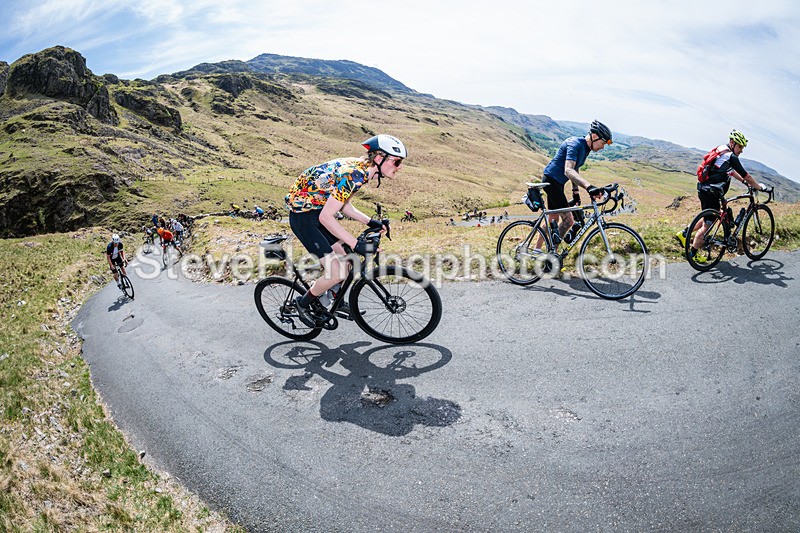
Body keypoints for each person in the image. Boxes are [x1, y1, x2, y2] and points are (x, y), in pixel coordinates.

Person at [285, 134, 406, 327]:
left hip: (316, 211)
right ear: (378, 158)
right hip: (304, 218)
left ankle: (336, 298)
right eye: (397, 162)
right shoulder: (354, 175)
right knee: (337, 272)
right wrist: (356, 243)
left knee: (347, 258)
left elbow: (344, 206)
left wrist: (371, 222)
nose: (399, 167)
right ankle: (302, 303)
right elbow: (327, 217)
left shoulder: (361, 170)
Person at [676, 130, 768, 262]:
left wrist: (743, 182)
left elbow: (729, 171)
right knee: (708, 224)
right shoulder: (731, 156)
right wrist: (759, 187)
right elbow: (746, 175)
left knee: (710, 215)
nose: (741, 150)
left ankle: (684, 233)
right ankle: (693, 253)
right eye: (740, 146)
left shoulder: (721, 150)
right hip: (711, 192)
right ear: (732, 143)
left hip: (704, 188)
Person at [535, 120, 611, 250]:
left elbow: (576, 169)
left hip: (557, 183)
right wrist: (589, 186)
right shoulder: (575, 144)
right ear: (594, 137)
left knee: (552, 218)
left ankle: (536, 249)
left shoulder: (586, 148)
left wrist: (575, 192)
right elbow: (568, 170)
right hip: (551, 181)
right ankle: (553, 255)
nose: (602, 147)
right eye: (602, 143)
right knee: (568, 220)